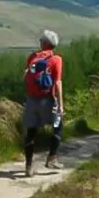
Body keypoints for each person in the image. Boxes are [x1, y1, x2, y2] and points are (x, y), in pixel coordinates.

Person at [22, 30, 65, 177]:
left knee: (31, 132)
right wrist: (60, 105)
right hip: (48, 99)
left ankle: (28, 166)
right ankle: (52, 158)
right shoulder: (56, 60)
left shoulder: (32, 57)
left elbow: (25, 76)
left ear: (45, 43)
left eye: (41, 40)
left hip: (32, 99)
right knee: (58, 126)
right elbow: (58, 82)